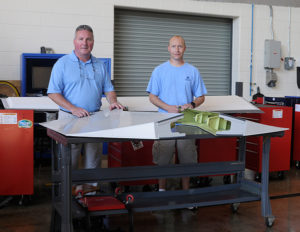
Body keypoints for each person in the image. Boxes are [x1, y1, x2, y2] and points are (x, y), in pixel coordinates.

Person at [47, 24, 123, 194]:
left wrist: (112, 101)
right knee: (69, 158)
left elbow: (108, 88)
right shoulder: (62, 64)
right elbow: (53, 92)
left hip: (94, 117)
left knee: (93, 158)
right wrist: (73, 108)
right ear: (75, 41)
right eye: (81, 39)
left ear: (93, 42)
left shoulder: (100, 65)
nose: (84, 43)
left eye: (88, 39)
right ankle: (68, 196)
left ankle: (90, 195)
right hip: (69, 117)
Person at [146, 35, 207, 192]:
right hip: (164, 120)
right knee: (163, 159)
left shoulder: (193, 71)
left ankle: (186, 193)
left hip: (186, 121)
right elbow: (152, 97)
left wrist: (192, 104)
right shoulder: (159, 71)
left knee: (187, 158)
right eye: (174, 46)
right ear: (168, 48)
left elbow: (201, 97)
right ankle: (161, 191)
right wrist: (167, 107)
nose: (177, 49)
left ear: (185, 48)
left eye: (180, 46)